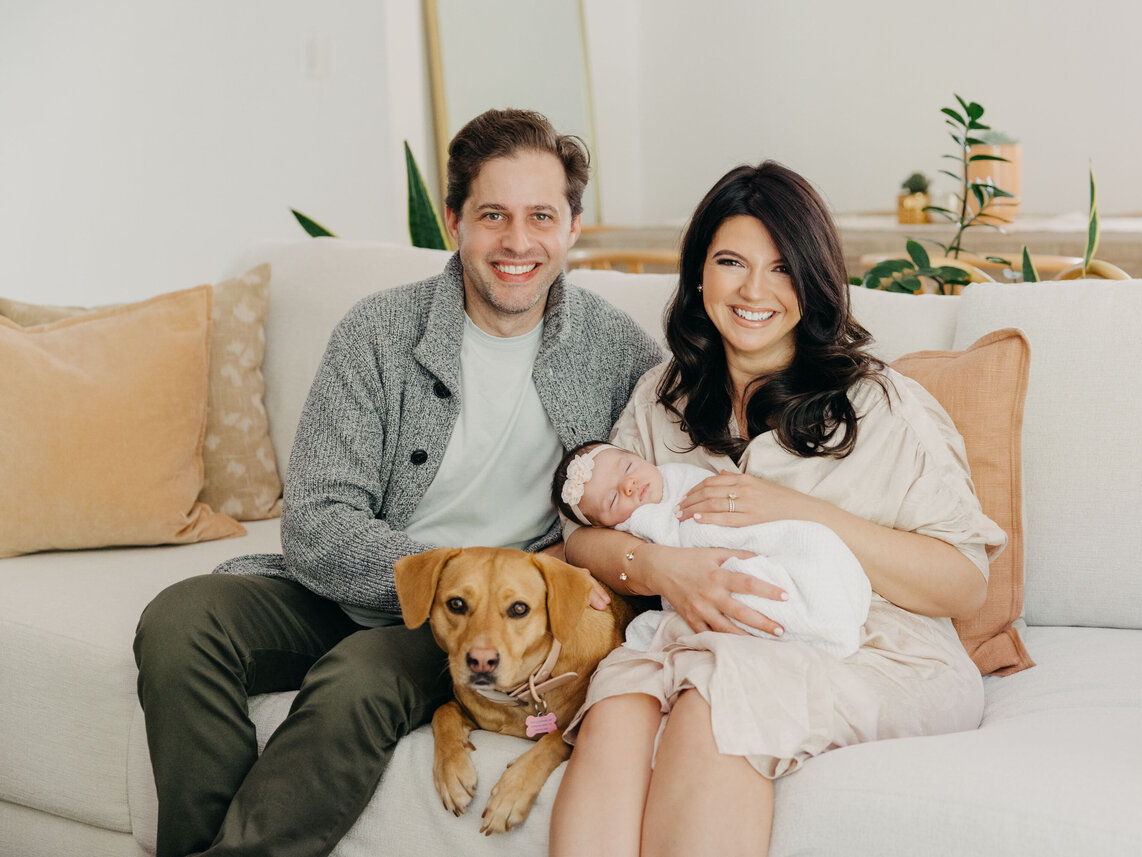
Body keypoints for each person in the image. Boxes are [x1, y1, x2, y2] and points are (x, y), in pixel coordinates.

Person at [133, 108, 662, 857]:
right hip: (358, 586)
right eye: (493, 215)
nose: (518, 241)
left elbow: (688, 452)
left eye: (541, 215)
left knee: (360, 682)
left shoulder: (618, 351)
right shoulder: (377, 333)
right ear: (454, 222)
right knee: (183, 619)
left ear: (572, 226)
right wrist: (434, 583)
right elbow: (315, 518)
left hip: (481, 625)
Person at [547, 162, 1006, 857]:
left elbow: (964, 583)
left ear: (814, 280)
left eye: (782, 268)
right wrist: (665, 568)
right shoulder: (662, 397)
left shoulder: (880, 405)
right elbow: (582, 539)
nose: (754, 290)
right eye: (731, 262)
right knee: (615, 701)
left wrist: (802, 510)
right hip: (696, 632)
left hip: (877, 647)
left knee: (718, 695)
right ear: (700, 276)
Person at [550, 440, 871, 655]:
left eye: (627, 468)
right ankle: (814, 623)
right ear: (605, 527)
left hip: (767, 538)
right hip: (704, 570)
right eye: (613, 499)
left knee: (814, 545)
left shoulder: (677, 476)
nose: (628, 485)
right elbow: (671, 546)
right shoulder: (635, 523)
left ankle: (825, 607)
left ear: (639, 457)